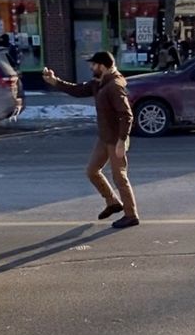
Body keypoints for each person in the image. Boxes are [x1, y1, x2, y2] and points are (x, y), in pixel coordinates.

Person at [41, 51, 140, 229]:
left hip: (116, 139)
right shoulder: (99, 83)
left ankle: (131, 215)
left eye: (93, 64)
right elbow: (78, 90)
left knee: (120, 177)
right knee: (92, 171)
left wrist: (121, 140)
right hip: (104, 137)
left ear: (102, 66)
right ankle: (112, 201)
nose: (91, 67)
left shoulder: (114, 86)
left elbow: (127, 116)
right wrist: (55, 81)